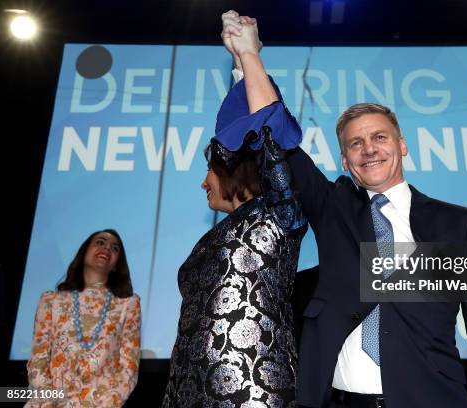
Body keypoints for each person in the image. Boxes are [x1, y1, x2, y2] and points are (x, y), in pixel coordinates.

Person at [221, 13, 467, 408]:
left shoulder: (456, 223)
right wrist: (248, 59)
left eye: (379, 137)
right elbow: (276, 140)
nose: (369, 148)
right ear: (345, 161)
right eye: (355, 144)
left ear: (402, 146)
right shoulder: (334, 207)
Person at [162, 12, 307, 408]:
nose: (203, 182)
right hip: (188, 391)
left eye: (208, 169)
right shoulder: (218, 233)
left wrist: (248, 57)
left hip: (254, 393)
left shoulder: (279, 211)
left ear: (233, 168)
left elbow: (267, 131)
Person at [26, 229, 141, 407]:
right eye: (100, 242)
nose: (107, 248)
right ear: (84, 252)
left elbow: (128, 368)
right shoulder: (50, 300)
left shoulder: (128, 304)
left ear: (116, 265)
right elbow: (38, 360)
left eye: (115, 248)